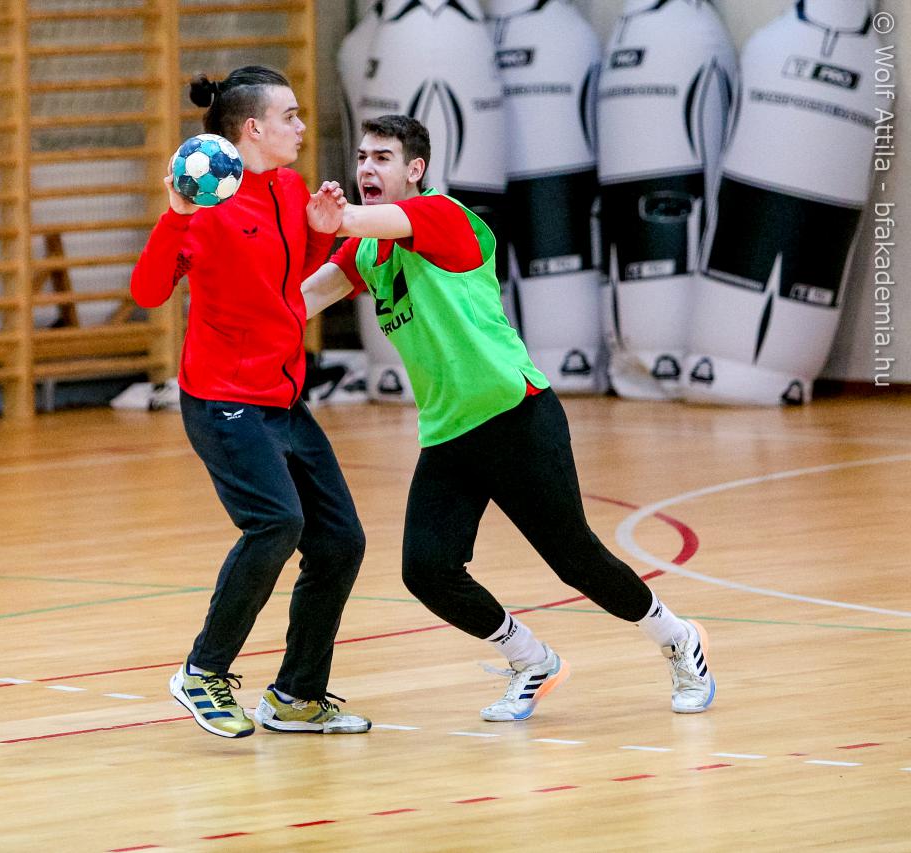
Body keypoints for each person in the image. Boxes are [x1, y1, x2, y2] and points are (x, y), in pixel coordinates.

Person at [300, 114, 715, 722]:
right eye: (362, 157)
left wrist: (325, 218)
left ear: (415, 170)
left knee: (576, 560)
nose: (366, 167)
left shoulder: (442, 215)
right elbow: (306, 297)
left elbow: (358, 221)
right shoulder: (366, 249)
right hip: (448, 432)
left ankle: (678, 640)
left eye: (382, 158)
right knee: (427, 570)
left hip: (515, 414)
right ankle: (531, 659)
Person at [131, 66, 370, 738]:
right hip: (223, 399)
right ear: (254, 128)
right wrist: (176, 216)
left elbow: (286, 282)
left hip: (282, 396)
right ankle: (202, 671)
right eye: (290, 116)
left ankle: (296, 695)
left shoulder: (289, 187)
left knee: (340, 541)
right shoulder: (206, 204)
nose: (302, 126)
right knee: (276, 524)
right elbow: (148, 292)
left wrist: (321, 231)